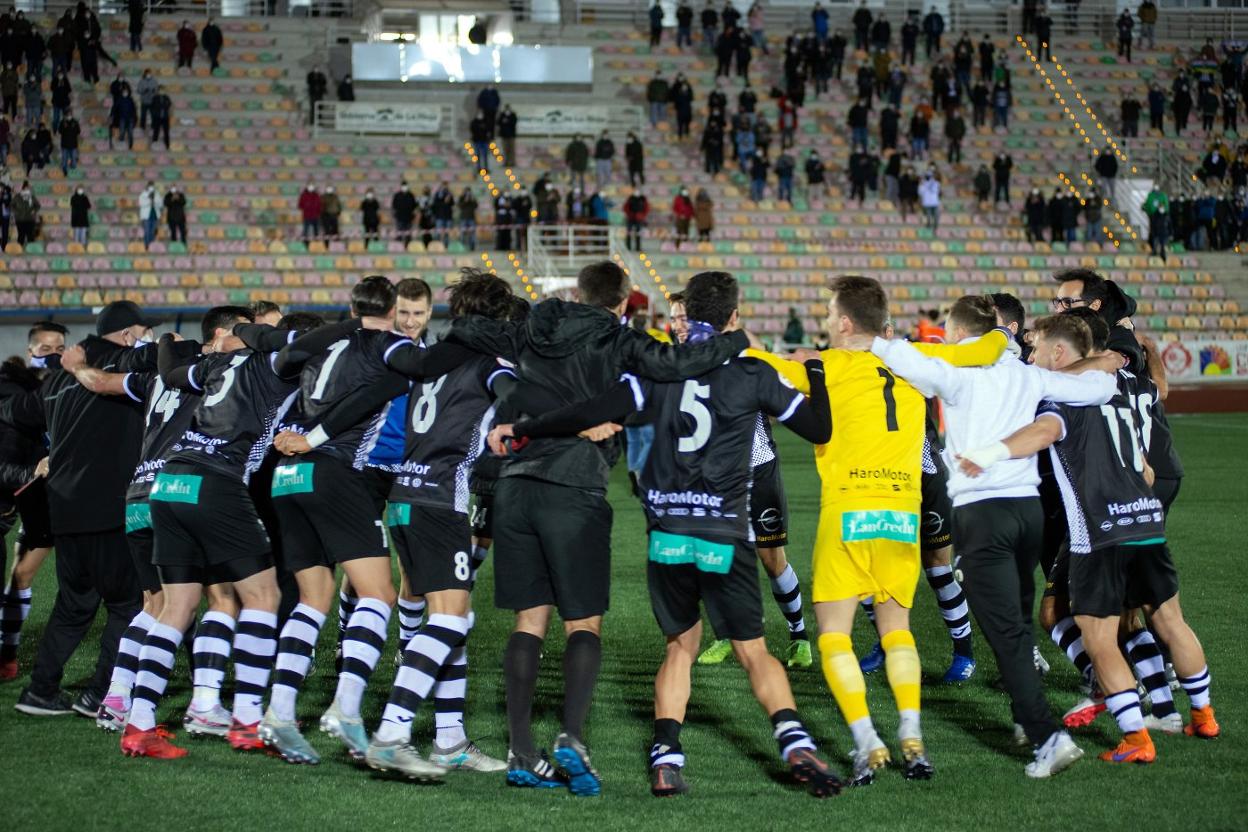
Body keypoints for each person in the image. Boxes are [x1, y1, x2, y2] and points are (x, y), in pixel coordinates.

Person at [501, 272, 840, 798]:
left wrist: (525, 428)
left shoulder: (651, 376)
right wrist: (815, 375)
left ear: (683, 319)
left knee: (681, 647)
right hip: (724, 532)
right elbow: (820, 430)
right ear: (733, 317)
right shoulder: (753, 373)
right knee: (752, 650)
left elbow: (589, 411)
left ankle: (666, 757)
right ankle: (793, 740)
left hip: (668, 534)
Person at [451, 260, 752, 793]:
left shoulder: (536, 325)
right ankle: (571, 737)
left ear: (577, 292)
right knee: (582, 625)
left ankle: (521, 751)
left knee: (528, 621)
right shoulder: (620, 339)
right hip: (575, 488)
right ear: (624, 300)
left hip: (516, 486)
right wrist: (737, 339)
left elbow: (472, 328)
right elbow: (680, 362)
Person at [872, 296, 1116, 777]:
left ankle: (1048, 737)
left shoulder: (960, 374)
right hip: (1027, 512)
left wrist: (871, 338)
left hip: (982, 515)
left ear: (961, 334)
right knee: (1018, 625)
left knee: (1004, 632)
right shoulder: (1026, 374)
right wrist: (1104, 362)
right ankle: (1027, 719)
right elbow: (1098, 389)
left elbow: (903, 358)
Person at [961, 312, 1220, 760]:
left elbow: (1044, 432)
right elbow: (1147, 469)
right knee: (1171, 621)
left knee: (1099, 639)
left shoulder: (1059, 398)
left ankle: (1137, 741)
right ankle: (1203, 716)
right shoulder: (1117, 394)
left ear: (1059, 353)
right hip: (1147, 523)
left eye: (1038, 347)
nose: (1032, 355)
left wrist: (989, 453)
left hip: (1097, 536)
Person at [117, 308, 341, 757]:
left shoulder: (217, 365)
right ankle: (247, 720)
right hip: (217, 482)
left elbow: (172, 373)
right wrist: (357, 327)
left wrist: (166, 343)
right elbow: (305, 348)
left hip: (169, 481)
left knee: (176, 605)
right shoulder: (275, 365)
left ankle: (138, 725)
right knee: (264, 597)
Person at [2, 302, 162, 719]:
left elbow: (14, 412)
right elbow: (166, 358)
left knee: (73, 604)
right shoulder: (125, 364)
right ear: (128, 334)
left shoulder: (55, 378)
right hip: (110, 505)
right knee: (128, 603)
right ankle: (98, 695)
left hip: (64, 508)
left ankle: (40, 691)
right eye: (142, 332)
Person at [12, 179, 38, 245]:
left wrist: (34, 210)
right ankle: (19, 251)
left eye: (29, 188)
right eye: (27, 187)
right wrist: (17, 212)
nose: (28, 189)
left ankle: (31, 252)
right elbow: (11, 206)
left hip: (30, 219)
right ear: (24, 188)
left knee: (31, 236)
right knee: (21, 236)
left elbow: (37, 205)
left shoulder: (32, 197)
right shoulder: (17, 196)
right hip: (20, 219)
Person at [392, 181, 416, 247]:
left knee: (408, 234)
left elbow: (414, 206)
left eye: (405, 186)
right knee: (399, 233)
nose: (404, 187)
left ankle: (407, 246)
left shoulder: (411, 195)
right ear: (401, 187)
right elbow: (394, 206)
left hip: (409, 217)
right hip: (399, 217)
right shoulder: (397, 195)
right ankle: (399, 247)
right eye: (403, 186)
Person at [138, 181, 161, 249]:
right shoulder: (143, 194)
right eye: (150, 186)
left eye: (152, 186)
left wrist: (154, 201)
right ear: (147, 186)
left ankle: (152, 246)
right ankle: (147, 246)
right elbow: (141, 203)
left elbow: (160, 204)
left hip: (155, 215)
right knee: (147, 231)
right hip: (146, 216)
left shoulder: (157, 193)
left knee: (153, 232)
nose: (151, 187)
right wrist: (149, 201)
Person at [58, 109, 79, 175]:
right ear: (66, 114)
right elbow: (60, 131)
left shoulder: (75, 122)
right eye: (68, 114)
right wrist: (65, 128)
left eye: (70, 114)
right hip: (65, 144)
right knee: (64, 158)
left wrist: (73, 129)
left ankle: (73, 168)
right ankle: (64, 170)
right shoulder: (62, 122)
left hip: (73, 143)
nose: (69, 115)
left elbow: (78, 131)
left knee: (73, 157)